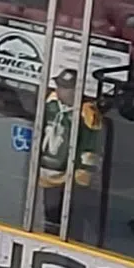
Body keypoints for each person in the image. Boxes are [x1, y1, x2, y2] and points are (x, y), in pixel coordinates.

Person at [37, 69, 101, 236]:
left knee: (73, 220)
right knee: (50, 217)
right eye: (59, 86)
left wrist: (84, 174)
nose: (59, 90)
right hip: (48, 171)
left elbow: (91, 144)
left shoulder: (87, 112)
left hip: (71, 176)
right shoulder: (49, 102)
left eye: (65, 87)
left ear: (76, 90)